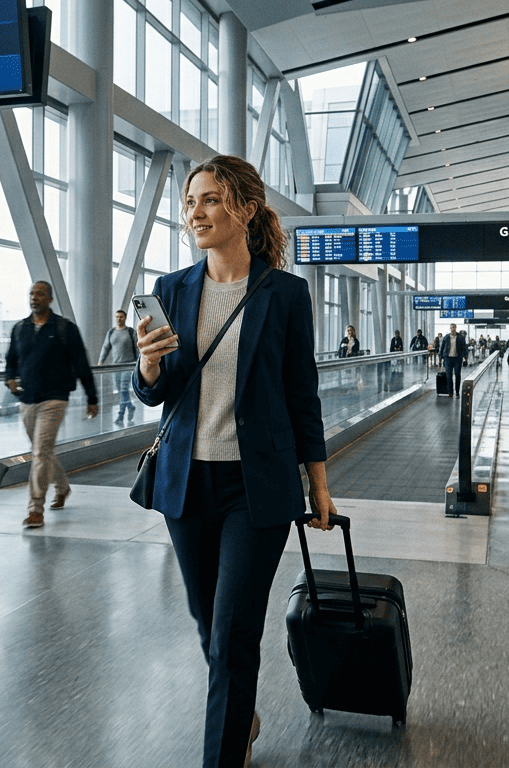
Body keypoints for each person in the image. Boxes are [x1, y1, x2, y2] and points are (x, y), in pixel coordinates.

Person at [132, 155, 335, 768]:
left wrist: (318, 484)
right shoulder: (171, 290)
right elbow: (156, 391)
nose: (196, 211)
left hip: (258, 485)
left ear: (245, 207)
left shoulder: (285, 294)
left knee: (232, 631)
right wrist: (145, 367)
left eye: (211, 199)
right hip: (187, 482)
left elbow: (303, 395)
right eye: (191, 201)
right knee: (206, 621)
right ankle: (239, 711)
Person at [4, 280, 99, 529]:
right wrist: (9, 379)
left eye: (40, 294)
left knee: (40, 451)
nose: (34, 298)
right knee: (42, 450)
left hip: (55, 398)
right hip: (27, 399)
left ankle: (35, 509)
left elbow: (81, 363)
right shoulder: (20, 328)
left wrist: (92, 397)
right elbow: (11, 361)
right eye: (31, 294)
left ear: (50, 299)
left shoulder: (64, 328)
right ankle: (63, 487)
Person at [99, 309, 138, 425]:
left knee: (123, 389)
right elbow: (106, 347)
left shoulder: (131, 332)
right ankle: (130, 406)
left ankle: (120, 415)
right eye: (117, 317)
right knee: (121, 391)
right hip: (116, 367)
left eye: (121, 317)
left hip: (128, 365)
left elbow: (137, 347)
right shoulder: (111, 333)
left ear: (125, 318)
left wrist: (139, 361)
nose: (118, 319)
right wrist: (101, 361)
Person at [439, 323, 466, 396]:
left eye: (454, 327)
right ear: (450, 328)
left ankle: (457, 392)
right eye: (451, 327)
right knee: (449, 375)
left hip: (457, 359)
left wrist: (465, 358)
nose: (452, 329)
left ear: (456, 328)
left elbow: (464, 348)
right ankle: (450, 392)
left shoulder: (460, 337)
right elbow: (442, 347)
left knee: (457, 375)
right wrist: (441, 357)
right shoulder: (446, 337)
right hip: (448, 359)